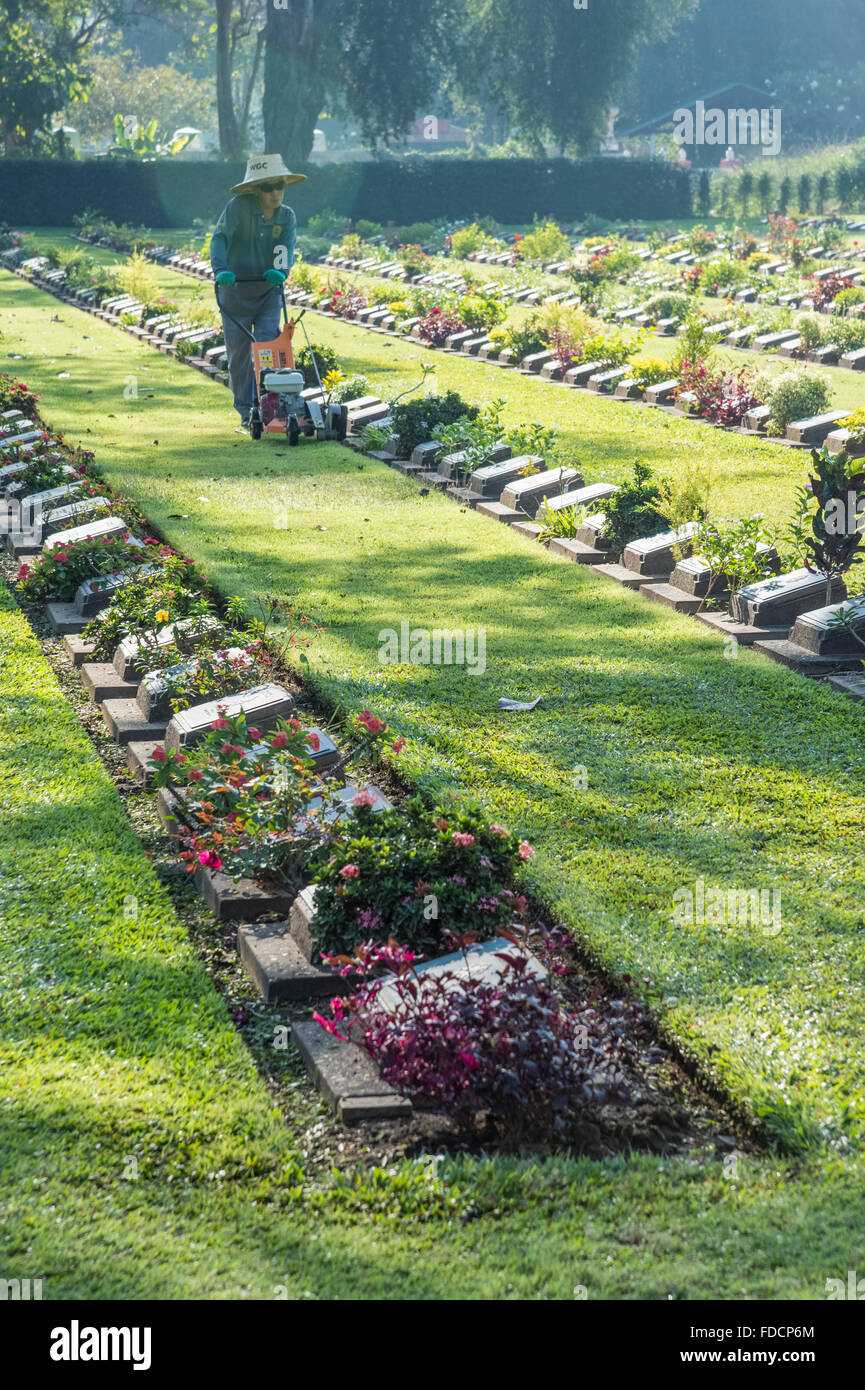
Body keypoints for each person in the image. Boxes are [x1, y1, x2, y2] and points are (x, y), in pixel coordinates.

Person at [210, 154, 307, 432]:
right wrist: (221, 270)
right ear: (256, 189)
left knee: (267, 344)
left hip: (267, 293)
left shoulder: (286, 216)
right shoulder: (237, 208)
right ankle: (245, 409)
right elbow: (220, 239)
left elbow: (285, 248)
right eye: (268, 187)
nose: (275, 192)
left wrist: (282, 271)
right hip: (235, 292)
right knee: (239, 356)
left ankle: (268, 404)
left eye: (279, 186)